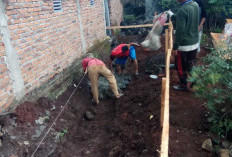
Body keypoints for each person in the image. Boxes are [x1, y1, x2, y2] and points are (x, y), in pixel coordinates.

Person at [170, 0, 199, 91]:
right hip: (194, 41)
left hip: (184, 44)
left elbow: (180, 31)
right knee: (190, 62)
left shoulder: (183, 10)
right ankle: (194, 79)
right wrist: (173, 16)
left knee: (181, 66)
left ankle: (183, 85)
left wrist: (175, 47)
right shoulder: (195, 4)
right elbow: (189, 18)